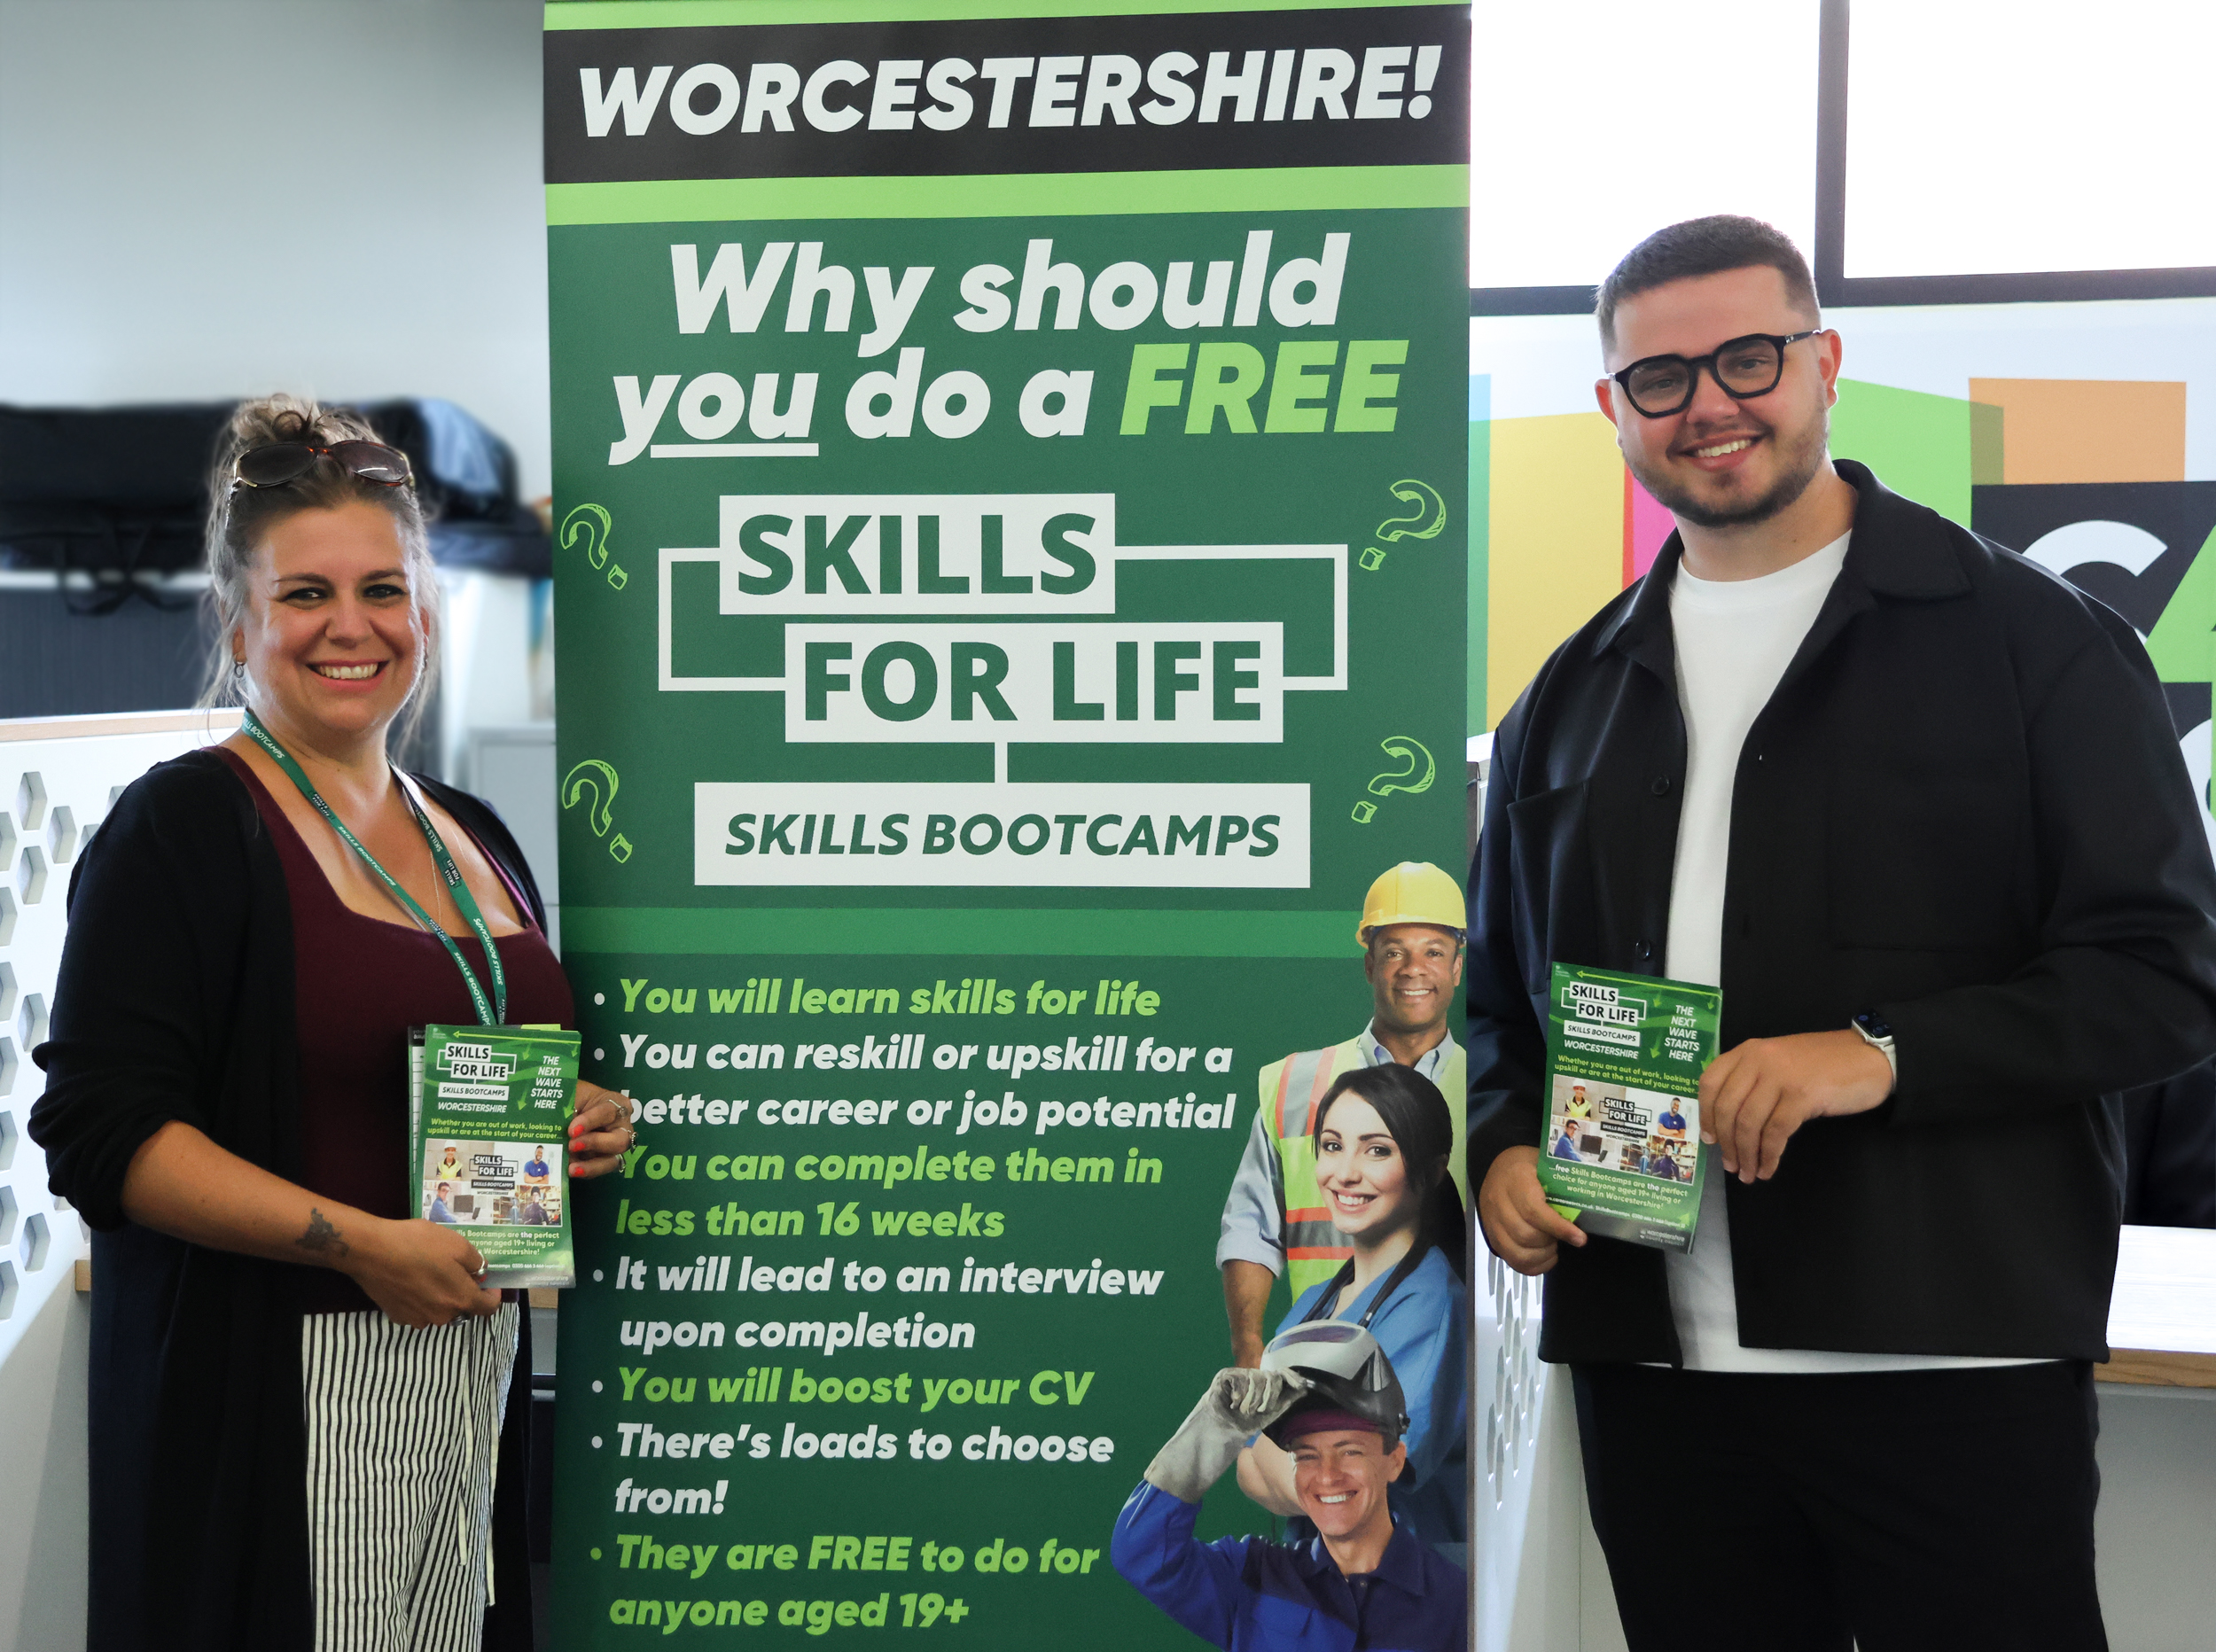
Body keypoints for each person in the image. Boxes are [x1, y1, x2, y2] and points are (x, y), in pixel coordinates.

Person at [1466, 215, 2216, 1649]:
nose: (1710, 403)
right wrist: (1502, 1144)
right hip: (1655, 1368)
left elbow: (2163, 975)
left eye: (1749, 357)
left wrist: (1878, 1054)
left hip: (1952, 1360)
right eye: (1662, 377)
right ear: (1615, 406)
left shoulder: (2037, 643)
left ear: (1825, 362)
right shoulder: (1568, 691)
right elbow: (1504, 999)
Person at [28, 395, 641, 1652]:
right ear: (238, 620)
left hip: (464, 1377)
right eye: (305, 594)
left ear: (426, 609)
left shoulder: (474, 830)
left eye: (383, 589)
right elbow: (103, 1136)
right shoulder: (184, 829)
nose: (350, 626)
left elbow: (449, 1049)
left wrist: (573, 1118)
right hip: (273, 1399)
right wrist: (361, 1244)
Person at [1219, 863, 1469, 1368]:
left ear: (1457, 968)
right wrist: (1249, 1349)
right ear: (1369, 965)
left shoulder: (1489, 1088)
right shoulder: (1295, 1084)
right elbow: (1250, 1227)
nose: (1413, 969)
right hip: (1320, 1358)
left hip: (1459, 1362)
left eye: (1433, 952)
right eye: (1394, 952)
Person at [1112, 1325, 1466, 1652]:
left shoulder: (1459, 1599)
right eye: (1307, 1456)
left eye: (1350, 1452)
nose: (1327, 1476)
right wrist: (1213, 1429)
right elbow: (1140, 1552)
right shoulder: (1253, 1577)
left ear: (1395, 1460)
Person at [1235, 1064, 1467, 1562]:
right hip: (1321, 1582)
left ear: (1431, 1170)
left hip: (1401, 1586)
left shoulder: (1432, 1304)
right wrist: (1297, 1460)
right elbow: (1247, 1469)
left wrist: (1276, 1450)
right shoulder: (1314, 1303)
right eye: (1333, 1146)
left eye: (1377, 1150)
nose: (1345, 1173)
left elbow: (1357, 1483)